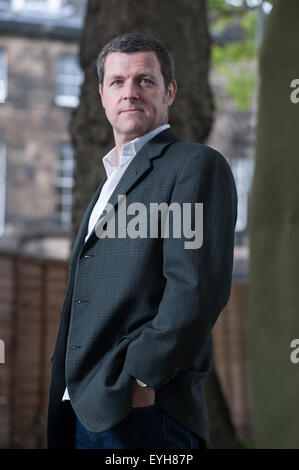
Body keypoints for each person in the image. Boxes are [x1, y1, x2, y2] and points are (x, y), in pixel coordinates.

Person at [46, 32, 237, 449]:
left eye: (144, 81)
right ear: (101, 94)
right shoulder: (106, 187)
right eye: (117, 82)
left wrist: (140, 379)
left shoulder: (195, 165)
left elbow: (195, 290)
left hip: (141, 413)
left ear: (169, 90)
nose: (130, 92)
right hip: (81, 408)